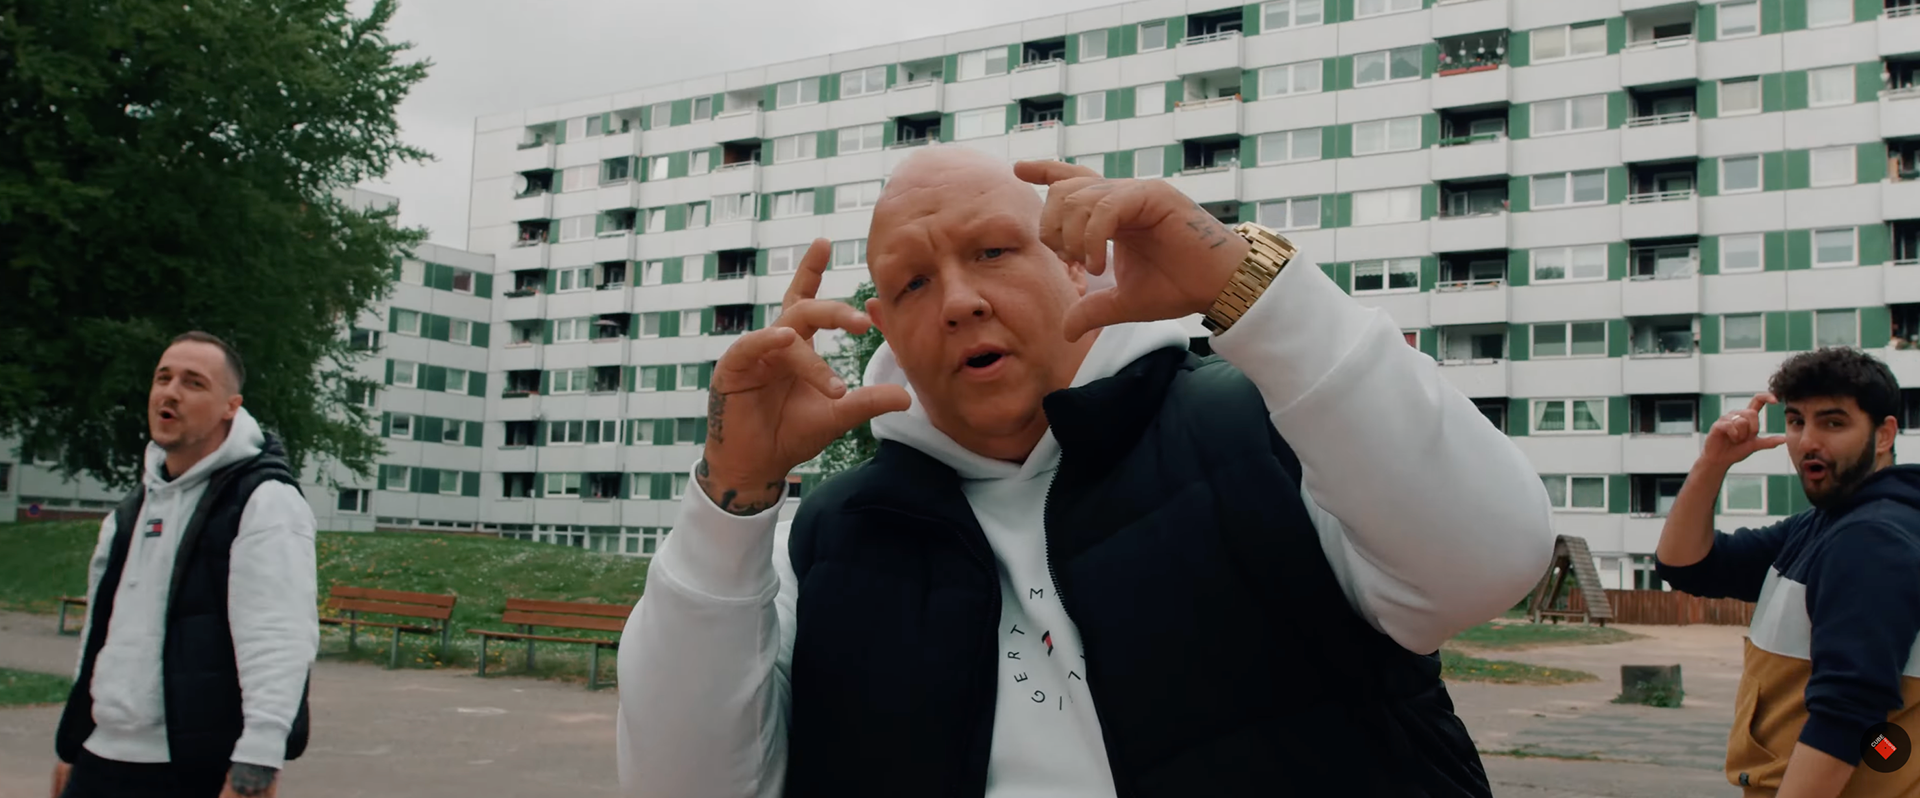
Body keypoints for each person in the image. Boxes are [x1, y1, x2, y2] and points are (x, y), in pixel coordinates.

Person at [616, 147, 1557, 797]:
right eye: (911, 283)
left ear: (1076, 266)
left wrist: (1251, 289)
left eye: (992, 251)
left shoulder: (1268, 424)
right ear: (886, 331)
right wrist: (730, 502)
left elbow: (1488, 560)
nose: (959, 301)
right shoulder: (824, 541)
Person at [51, 332, 319, 798]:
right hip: (101, 759)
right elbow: (99, 634)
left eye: (194, 383)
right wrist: (72, 744)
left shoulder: (263, 501)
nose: (171, 392)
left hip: (192, 766)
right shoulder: (131, 512)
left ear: (230, 407)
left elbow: (279, 635)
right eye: (163, 378)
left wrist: (258, 759)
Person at [1655, 348, 1920, 798]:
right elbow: (1688, 566)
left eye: (1832, 423)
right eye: (1796, 421)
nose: (1808, 441)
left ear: (1883, 435)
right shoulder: (1825, 524)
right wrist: (1713, 462)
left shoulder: (1872, 539)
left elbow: (1847, 713)